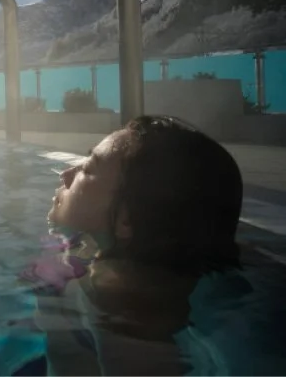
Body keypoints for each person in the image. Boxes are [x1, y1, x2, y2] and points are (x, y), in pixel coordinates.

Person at [21, 115, 244, 376]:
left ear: (126, 219)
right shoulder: (134, 266)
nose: (67, 173)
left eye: (88, 170)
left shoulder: (124, 302)